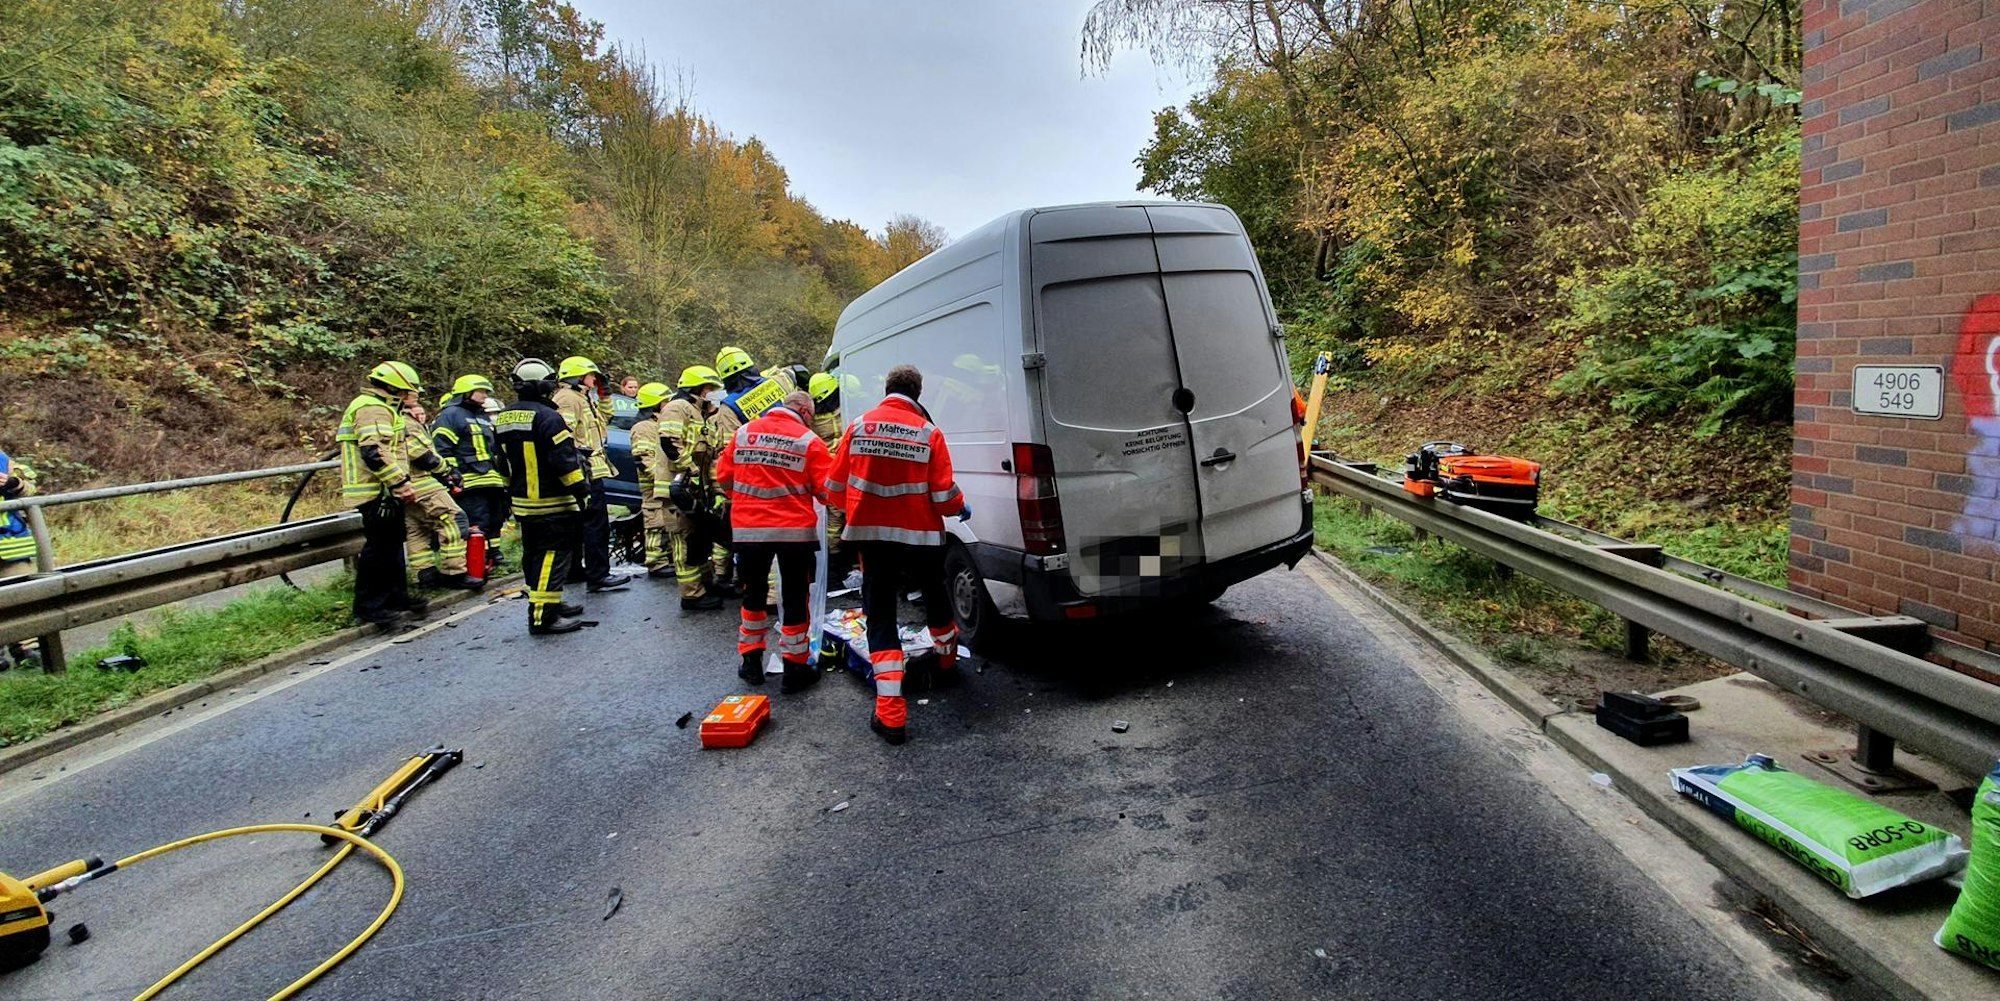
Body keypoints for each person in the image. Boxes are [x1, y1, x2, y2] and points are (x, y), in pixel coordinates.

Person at [826, 364, 969, 745]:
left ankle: (890, 714)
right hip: (921, 537)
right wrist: (960, 505)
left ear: (886, 388)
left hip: (872, 539)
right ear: (917, 394)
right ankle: (946, 663)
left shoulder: (857, 427)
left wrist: (860, 510)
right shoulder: (928, 432)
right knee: (936, 599)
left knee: (882, 616)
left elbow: (834, 488)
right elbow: (943, 495)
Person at [716, 390, 833, 692]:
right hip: (794, 534)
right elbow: (826, 491)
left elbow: (724, 479)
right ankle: (795, 669)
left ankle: (751, 663)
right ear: (806, 412)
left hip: (749, 531)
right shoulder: (809, 442)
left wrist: (746, 499)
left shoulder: (744, 433)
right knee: (796, 600)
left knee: (753, 595)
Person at [495, 358, 592, 635]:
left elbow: (501, 461)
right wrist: (582, 493)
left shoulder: (503, 416)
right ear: (544, 386)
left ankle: (551, 602)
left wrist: (507, 495)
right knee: (553, 555)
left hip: (523, 503)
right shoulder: (549, 417)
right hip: (552, 501)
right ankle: (543, 616)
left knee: (535, 555)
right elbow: (564, 463)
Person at [335, 361, 431, 632]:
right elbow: (374, 452)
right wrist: (399, 482)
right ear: (391, 387)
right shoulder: (372, 408)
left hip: (386, 491)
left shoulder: (385, 408)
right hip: (376, 491)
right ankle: (370, 606)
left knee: (391, 545)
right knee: (378, 549)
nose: (408, 397)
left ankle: (395, 597)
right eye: (405, 391)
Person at [552, 356, 631, 593]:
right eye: (591, 375)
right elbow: (563, 434)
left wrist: (605, 395)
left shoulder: (582, 397)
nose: (595, 379)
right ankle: (598, 575)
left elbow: (605, 419)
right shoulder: (567, 399)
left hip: (590, 468)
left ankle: (576, 571)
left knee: (580, 523)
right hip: (584, 470)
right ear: (578, 376)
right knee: (595, 524)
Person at [661, 366, 729, 610]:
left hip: (694, 490)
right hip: (677, 490)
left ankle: (707, 584)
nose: (713, 394)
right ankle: (692, 595)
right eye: (710, 389)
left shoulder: (700, 414)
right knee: (683, 541)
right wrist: (690, 471)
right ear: (698, 389)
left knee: (699, 539)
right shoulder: (676, 407)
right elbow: (669, 442)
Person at [431, 374, 510, 571]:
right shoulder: (450, 415)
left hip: (492, 479)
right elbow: (442, 448)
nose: (485, 396)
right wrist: (453, 475)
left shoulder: (481, 416)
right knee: (478, 520)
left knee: (496, 518)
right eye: (481, 391)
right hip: (469, 480)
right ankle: (478, 560)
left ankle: (494, 554)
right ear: (467, 393)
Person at [400, 398, 480, 590]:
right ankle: (455, 573)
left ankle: (425, 576)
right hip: (420, 481)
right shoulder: (406, 423)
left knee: (417, 529)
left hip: (402, 485)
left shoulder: (393, 419)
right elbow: (421, 455)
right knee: (454, 520)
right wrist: (447, 471)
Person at [628, 381, 676, 578]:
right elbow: (642, 457)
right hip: (653, 485)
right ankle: (656, 562)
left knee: (668, 521)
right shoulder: (643, 427)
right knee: (655, 522)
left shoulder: (659, 424)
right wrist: (660, 476)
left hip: (665, 482)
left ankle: (667, 557)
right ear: (656, 404)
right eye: (666, 401)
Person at [1, 448, 41, 668]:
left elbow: (31, 489)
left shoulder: (3, 460)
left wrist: (12, 484)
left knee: (22, 599)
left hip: (13, 546)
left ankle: (27, 649)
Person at [710, 346, 799, 441]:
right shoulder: (779, 381)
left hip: (763, 453)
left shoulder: (728, 408)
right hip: (795, 443)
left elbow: (731, 445)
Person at [807, 372, 847, 573]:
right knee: (840, 517)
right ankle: (839, 561)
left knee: (835, 518)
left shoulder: (812, 420)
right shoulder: (845, 408)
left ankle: (834, 560)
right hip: (843, 470)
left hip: (830, 473)